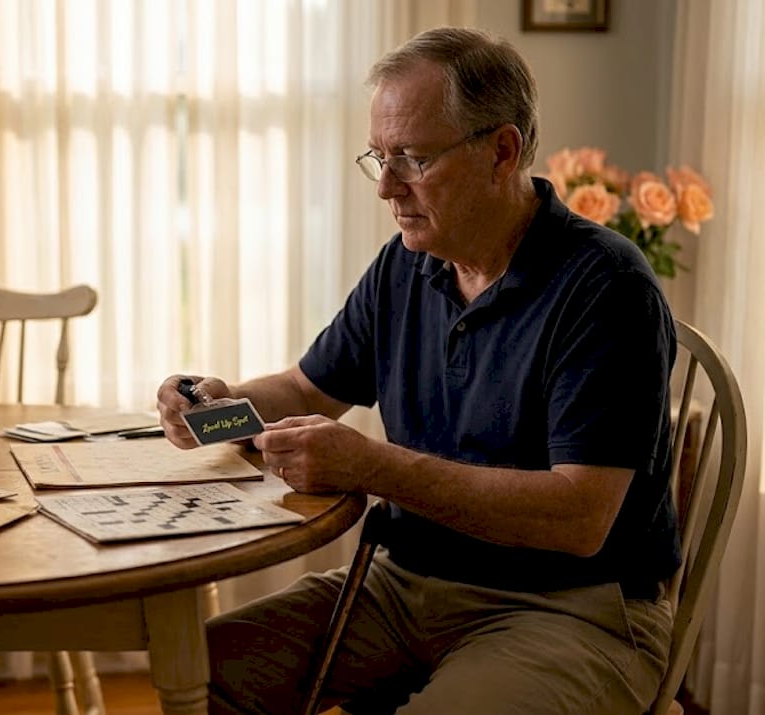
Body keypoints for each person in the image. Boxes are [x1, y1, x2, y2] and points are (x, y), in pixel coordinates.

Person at [156, 26, 678, 715]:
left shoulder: (607, 286)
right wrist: (215, 408)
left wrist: (373, 466)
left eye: (411, 158)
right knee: (202, 672)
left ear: (501, 151)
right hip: (404, 586)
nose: (387, 188)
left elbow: (577, 518)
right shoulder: (408, 264)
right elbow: (308, 389)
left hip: (575, 611)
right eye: (378, 158)